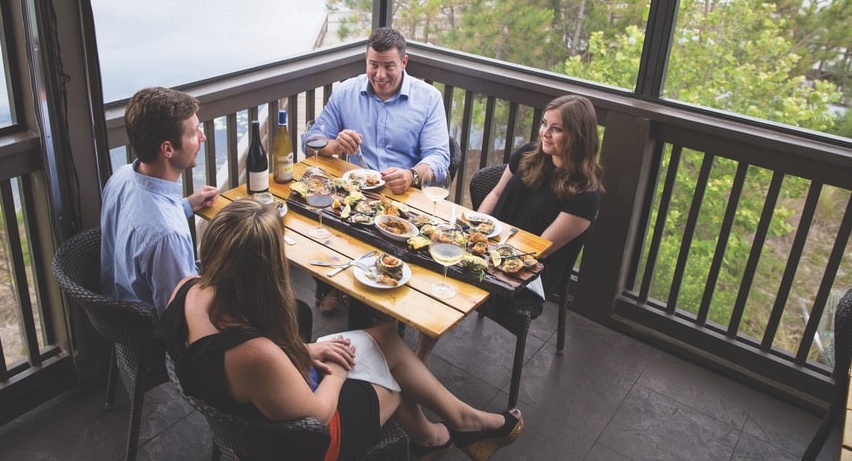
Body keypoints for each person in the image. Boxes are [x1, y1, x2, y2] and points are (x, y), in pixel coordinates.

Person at [163, 199, 523, 461]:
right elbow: (318, 415)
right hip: (303, 445)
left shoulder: (186, 289)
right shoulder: (256, 355)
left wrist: (305, 349)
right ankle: (445, 431)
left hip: (249, 405)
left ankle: (451, 427)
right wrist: (337, 371)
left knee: (383, 336)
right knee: (391, 380)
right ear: (265, 270)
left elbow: (238, 357)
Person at [416, 94, 604, 365]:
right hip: (490, 245)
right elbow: (495, 193)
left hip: (527, 270)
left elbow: (540, 249)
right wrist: (471, 231)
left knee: (448, 272)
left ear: (579, 135)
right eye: (544, 124)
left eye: (557, 128)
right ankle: (407, 346)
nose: (545, 133)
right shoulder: (530, 153)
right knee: (431, 253)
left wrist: (482, 253)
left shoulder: (585, 193)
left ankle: (419, 358)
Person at [303, 27, 450, 315]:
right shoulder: (347, 92)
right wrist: (332, 145)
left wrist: (413, 175)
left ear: (404, 63)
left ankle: (376, 307)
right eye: (373, 65)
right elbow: (310, 140)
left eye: (388, 66)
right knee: (310, 224)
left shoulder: (428, 98)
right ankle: (333, 285)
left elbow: (440, 157)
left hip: (404, 199)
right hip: (353, 195)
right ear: (366, 61)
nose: (380, 75)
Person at [100, 86, 220, 321]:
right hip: (155, 333)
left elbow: (142, 223)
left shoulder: (121, 178)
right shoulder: (167, 236)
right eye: (194, 133)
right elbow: (181, 319)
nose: (203, 137)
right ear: (167, 149)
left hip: (120, 307)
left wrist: (185, 205)